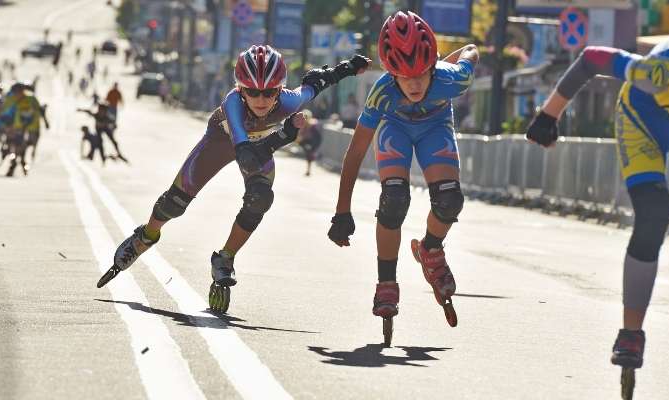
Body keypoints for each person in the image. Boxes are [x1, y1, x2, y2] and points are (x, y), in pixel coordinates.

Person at [524, 14, 669, 395]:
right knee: (652, 216)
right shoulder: (658, 70)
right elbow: (592, 59)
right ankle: (631, 333)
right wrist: (549, 114)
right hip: (643, 119)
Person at [95, 44, 370, 308]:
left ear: (280, 88)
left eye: (269, 92)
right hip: (223, 143)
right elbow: (245, 153)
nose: (261, 99)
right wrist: (284, 135)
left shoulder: (290, 100)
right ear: (240, 88)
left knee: (260, 198)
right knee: (175, 203)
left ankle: (225, 258)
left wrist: (349, 67)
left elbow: (318, 81)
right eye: (252, 91)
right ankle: (146, 235)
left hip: (257, 147)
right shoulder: (233, 103)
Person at [328, 11, 477, 329]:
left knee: (450, 200)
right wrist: (342, 211)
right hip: (395, 128)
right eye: (404, 76)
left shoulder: (453, 78)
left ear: (433, 65)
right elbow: (355, 153)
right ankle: (386, 284)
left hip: (435, 128)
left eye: (422, 74)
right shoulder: (382, 92)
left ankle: (431, 250)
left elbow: (472, 50)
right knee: (394, 200)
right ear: (390, 72)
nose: (414, 84)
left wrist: (452, 60)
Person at [297, 109, 321, 176]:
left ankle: (308, 170)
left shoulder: (313, 125)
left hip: (312, 142)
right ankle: (308, 169)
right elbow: (300, 135)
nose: (305, 119)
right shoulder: (302, 124)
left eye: (306, 117)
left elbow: (317, 137)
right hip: (305, 142)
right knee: (308, 154)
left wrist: (314, 146)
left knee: (309, 154)